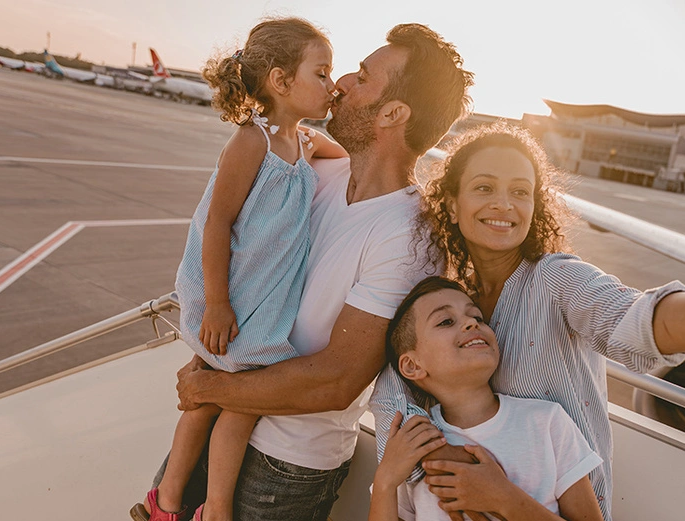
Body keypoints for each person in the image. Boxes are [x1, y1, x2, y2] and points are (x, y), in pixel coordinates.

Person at [370, 121, 685, 521]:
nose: (504, 204)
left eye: (521, 191)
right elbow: (395, 389)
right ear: (451, 204)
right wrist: (440, 466)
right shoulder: (455, 303)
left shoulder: (556, 279)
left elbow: (640, 322)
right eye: (483, 188)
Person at [158, 23, 475, 520]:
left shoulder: (408, 238)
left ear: (393, 113)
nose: (342, 82)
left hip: (284, 465)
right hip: (221, 414)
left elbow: (338, 379)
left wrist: (210, 385)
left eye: (363, 77)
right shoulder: (314, 174)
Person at [132, 17, 345, 521]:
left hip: (258, 300)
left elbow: (341, 155)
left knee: (216, 398)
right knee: (235, 403)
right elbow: (216, 224)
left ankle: (167, 503)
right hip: (233, 301)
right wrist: (218, 304)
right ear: (280, 80)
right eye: (321, 73)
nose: (331, 86)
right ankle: (210, 509)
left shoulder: (300, 141)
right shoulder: (253, 142)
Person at [370, 277, 604, 521]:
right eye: (446, 321)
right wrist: (385, 480)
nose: (471, 323)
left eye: (478, 317)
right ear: (412, 366)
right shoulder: (410, 446)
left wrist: (505, 498)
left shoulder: (546, 421)